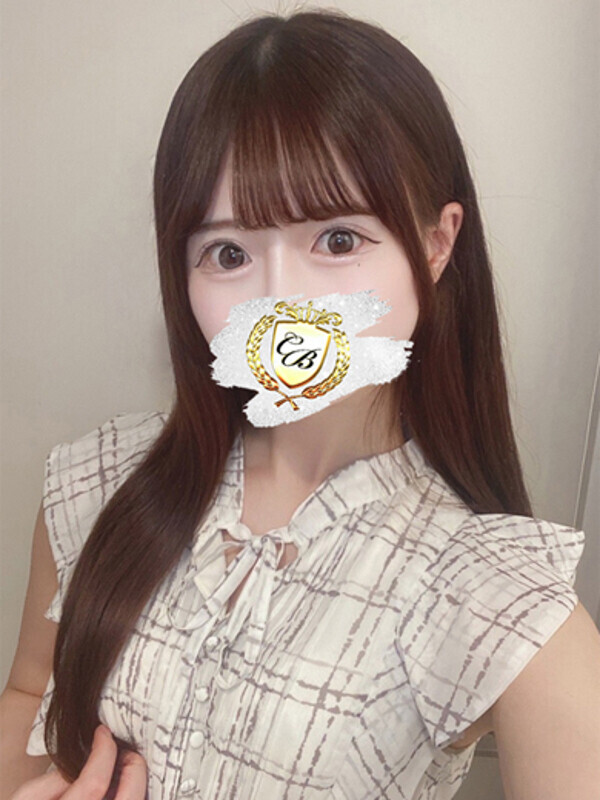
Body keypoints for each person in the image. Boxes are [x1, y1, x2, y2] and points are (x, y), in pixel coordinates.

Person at [2, 8, 600, 800]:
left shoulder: (486, 592)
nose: (282, 306)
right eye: (228, 253)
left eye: (338, 240)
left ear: (436, 243)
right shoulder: (100, 481)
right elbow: (27, 695)